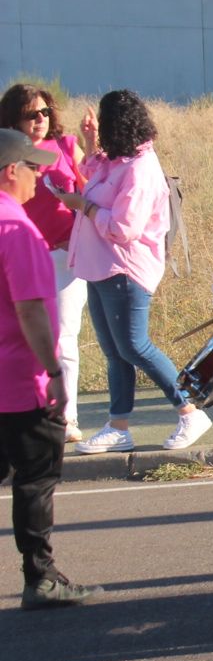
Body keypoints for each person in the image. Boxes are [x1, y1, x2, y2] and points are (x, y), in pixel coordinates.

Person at [59, 89, 212, 454]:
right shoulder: (119, 158)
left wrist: (84, 206)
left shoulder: (141, 168)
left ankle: (190, 410)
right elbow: (91, 170)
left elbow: (124, 227)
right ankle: (119, 425)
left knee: (135, 345)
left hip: (125, 270)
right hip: (100, 268)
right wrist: (90, 141)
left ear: (119, 127)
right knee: (115, 351)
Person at [0, 128, 103, 608]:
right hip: (21, 382)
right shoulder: (15, 227)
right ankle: (40, 576)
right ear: (10, 172)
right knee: (36, 479)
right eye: (34, 169)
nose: (40, 177)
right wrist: (55, 372)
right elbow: (30, 311)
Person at [0, 84, 89, 441]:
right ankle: (29, 409)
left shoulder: (65, 146)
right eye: (31, 114)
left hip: (65, 254)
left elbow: (91, 187)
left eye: (45, 112)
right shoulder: (8, 155)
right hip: (22, 255)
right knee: (20, 331)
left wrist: (92, 144)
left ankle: (65, 417)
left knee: (63, 336)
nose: (40, 120)